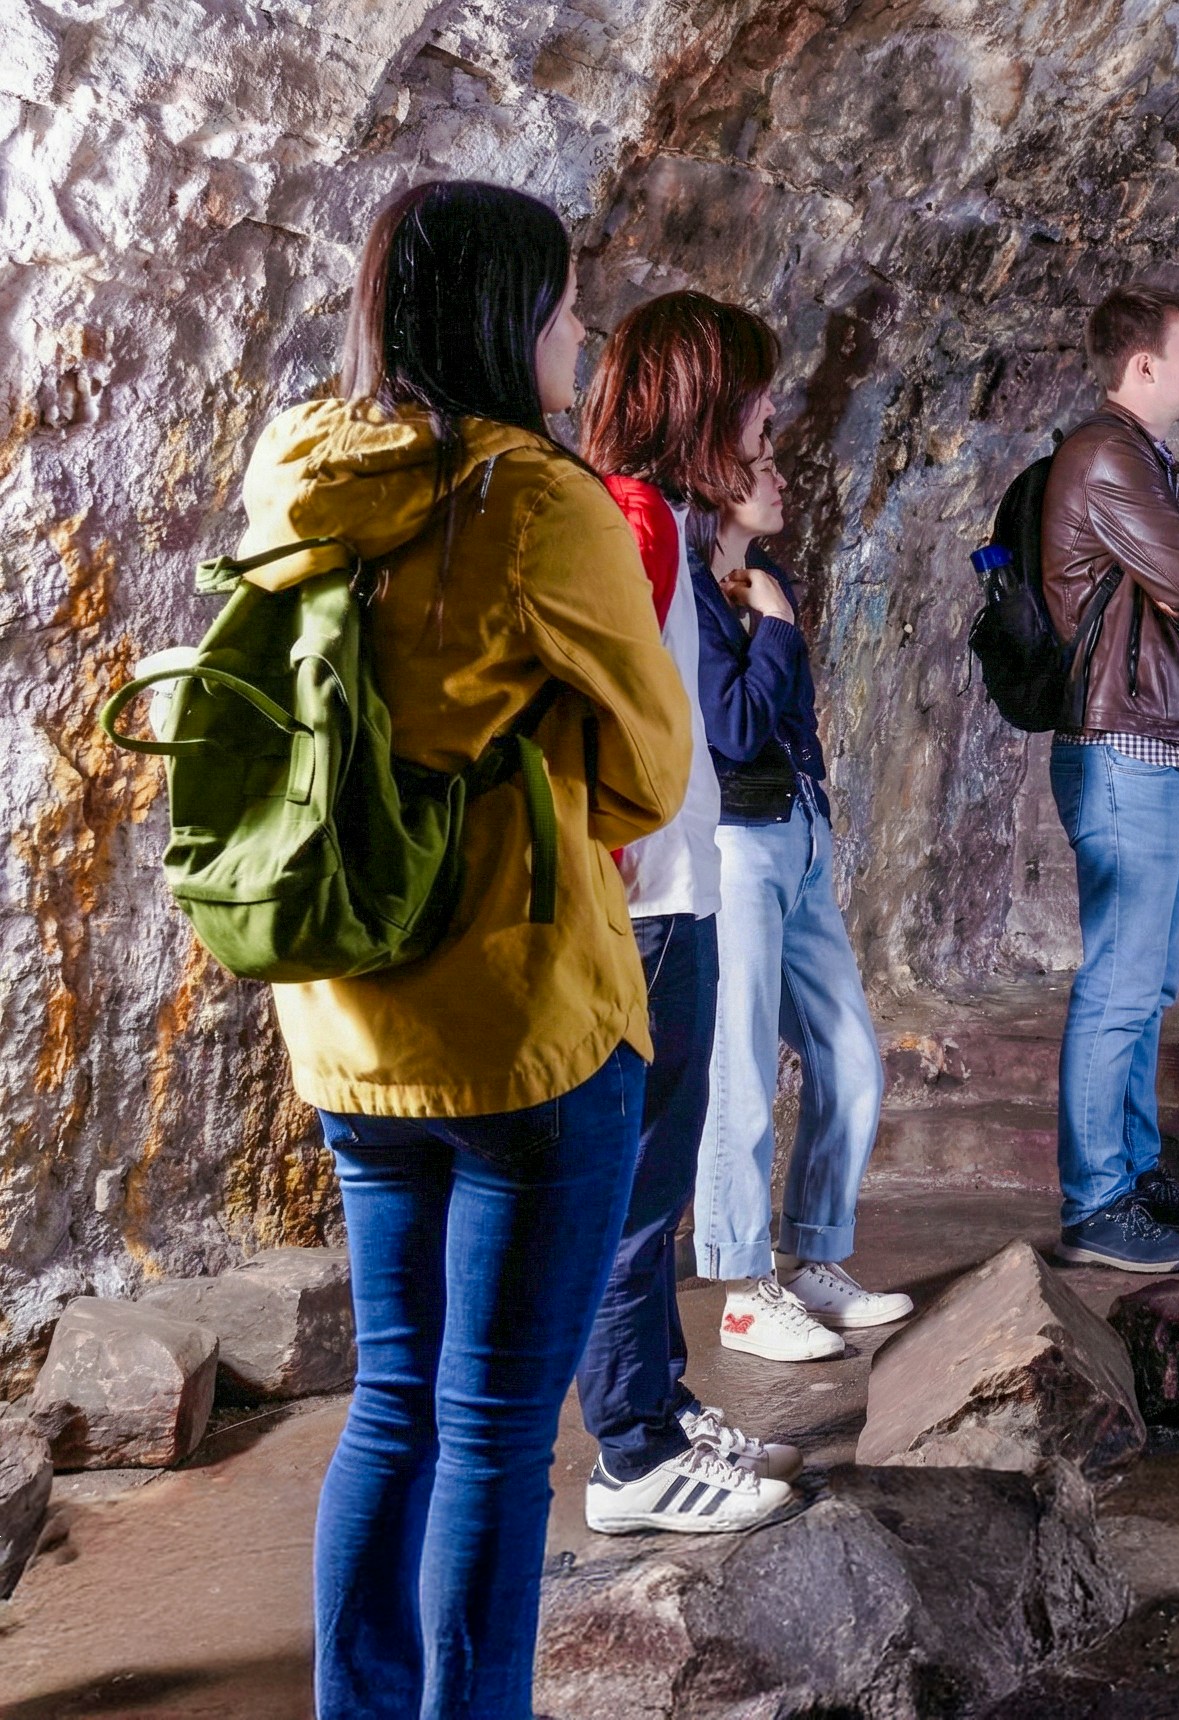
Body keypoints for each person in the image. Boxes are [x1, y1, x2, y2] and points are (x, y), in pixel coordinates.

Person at [246, 181, 691, 1716]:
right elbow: (650, 769)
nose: (581, 338)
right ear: (511, 321)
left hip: (352, 1027)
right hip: (522, 1026)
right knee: (496, 1427)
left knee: (391, 1407)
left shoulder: (295, 471)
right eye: (566, 308)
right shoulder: (535, 500)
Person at [573, 292, 807, 1533]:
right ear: (708, 399)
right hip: (651, 900)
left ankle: (654, 1412)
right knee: (632, 1194)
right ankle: (631, 1458)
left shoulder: (662, 522)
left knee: (649, 1187)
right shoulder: (634, 520)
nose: (772, 415)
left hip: (675, 893)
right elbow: (613, 711)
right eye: (758, 395)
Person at [691, 317, 914, 1357]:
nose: (779, 473)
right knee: (738, 1070)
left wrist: (819, 810)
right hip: (737, 846)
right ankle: (743, 1290)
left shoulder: (760, 572)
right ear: (714, 468)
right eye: (763, 458)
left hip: (799, 835)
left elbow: (786, 728)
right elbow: (731, 727)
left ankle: (815, 1257)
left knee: (850, 1054)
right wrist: (775, 624)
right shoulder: (694, 586)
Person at [1043, 286, 1179, 1271]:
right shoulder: (1107, 455)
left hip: (1167, 749)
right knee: (1119, 986)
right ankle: (1094, 1204)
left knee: (1149, 985)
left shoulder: (1145, 463)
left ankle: (1133, 1172)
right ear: (1142, 368)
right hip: (1125, 751)